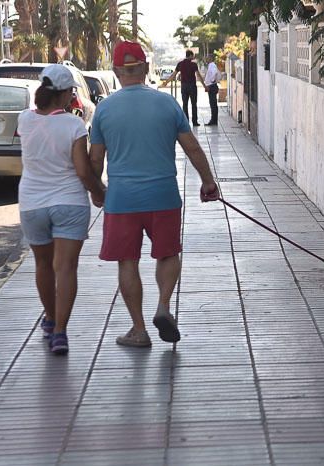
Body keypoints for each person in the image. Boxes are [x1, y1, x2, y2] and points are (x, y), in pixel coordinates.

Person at [90, 40, 220, 348]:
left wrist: (97, 189)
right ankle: (163, 305)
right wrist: (208, 182)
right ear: (146, 68)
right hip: (163, 194)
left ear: (116, 71)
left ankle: (139, 329)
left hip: (122, 199)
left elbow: (95, 159)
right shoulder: (166, 104)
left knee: (127, 262)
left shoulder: (105, 109)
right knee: (168, 253)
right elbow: (192, 147)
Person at [17, 64, 106, 355]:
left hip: (32, 203)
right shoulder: (73, 125)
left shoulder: (23, 120)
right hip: (69, 202)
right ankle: (59, 332)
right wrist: (98, 192)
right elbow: (82, 170)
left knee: (43, 265)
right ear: (67, 93)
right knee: (65, 267)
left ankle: (51, 316)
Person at [161, 50, 206, 126]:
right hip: (192, 86)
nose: (193, 57)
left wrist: (166, 82)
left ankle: (186, 122)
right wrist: (204, 85)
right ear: (190, 56)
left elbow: (173, 75)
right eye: (193, 55)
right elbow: (198, 75)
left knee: (185, 104)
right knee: (194, 104)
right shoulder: (194, 64)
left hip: (184, 86)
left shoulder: (180, 64)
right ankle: (195, 122)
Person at [203, 55, 223, 126]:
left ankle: (213, 120)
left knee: (213, 104)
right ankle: (213, 120)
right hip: (212, 86)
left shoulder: (212, 65)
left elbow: (214, 73)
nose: (206, 60)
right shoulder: (211, 65)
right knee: (212, 104)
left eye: (207, 58)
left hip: (212, 86)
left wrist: (212, 81)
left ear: (210, 59)